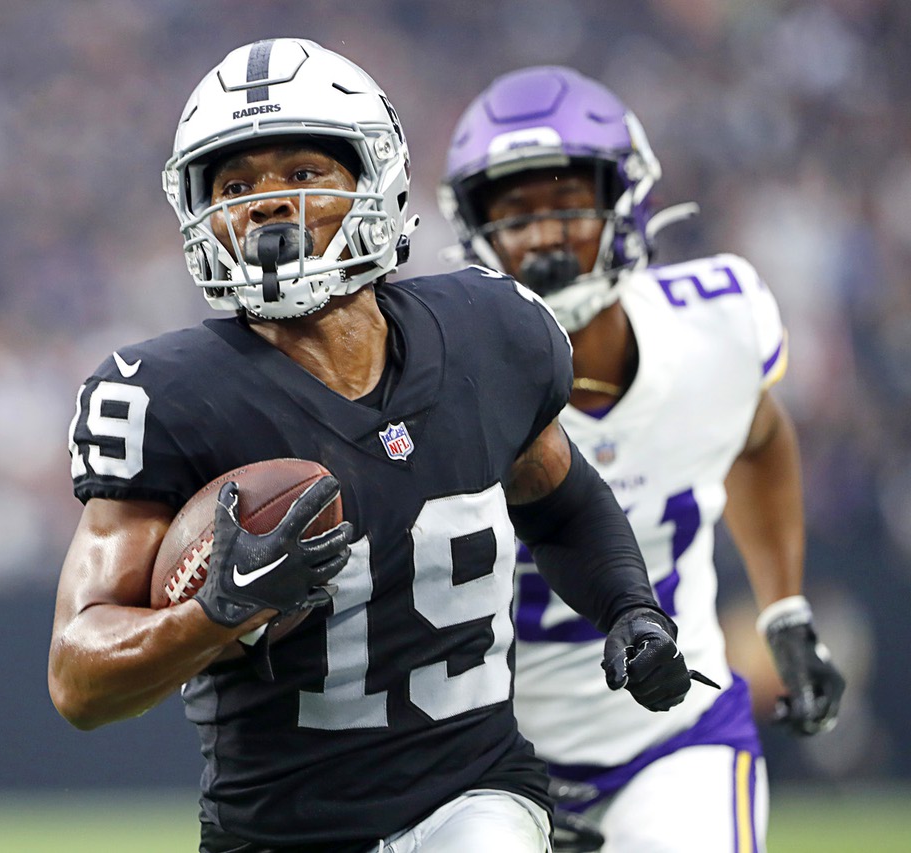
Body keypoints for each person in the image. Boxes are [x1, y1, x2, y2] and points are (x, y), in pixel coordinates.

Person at [51, 40, 699, 853]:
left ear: (374, 178)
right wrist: (211, 615)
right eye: (235, 185)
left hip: (474, 792)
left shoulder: (488, 332)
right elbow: (77, 675)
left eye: (300, 172)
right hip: (277, 832)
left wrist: (630, 609)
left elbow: (561, 506)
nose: (263, 205)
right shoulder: (166, 396)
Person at [439, 66, 847, 852]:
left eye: (565, 203)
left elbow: (759, 438)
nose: (544, 236)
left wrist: (784, 610)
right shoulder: (440, 372)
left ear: (625, 200)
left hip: (675, 735)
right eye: (515, 214)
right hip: (482, 764)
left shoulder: (717, 325)